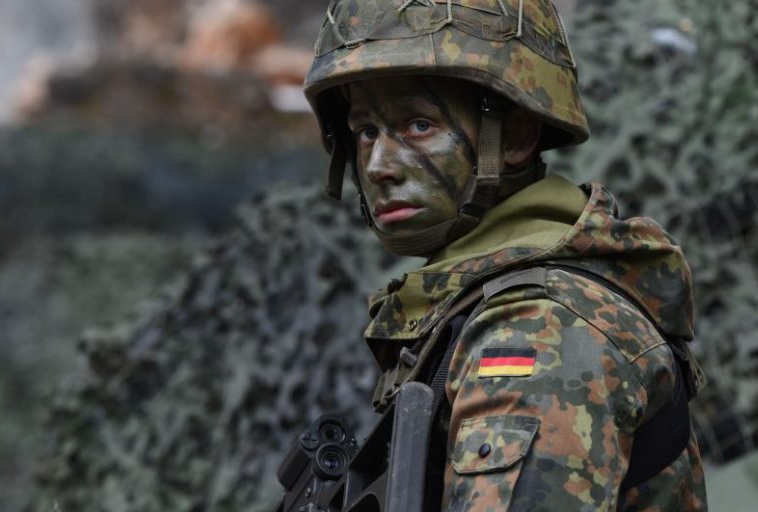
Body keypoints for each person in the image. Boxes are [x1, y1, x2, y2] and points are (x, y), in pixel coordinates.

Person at [302, 0, 708, 509]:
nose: (379, 165)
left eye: (419, 126)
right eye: (366, 132)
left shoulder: (538, 329)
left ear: (513, 137)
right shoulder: (476, 304)